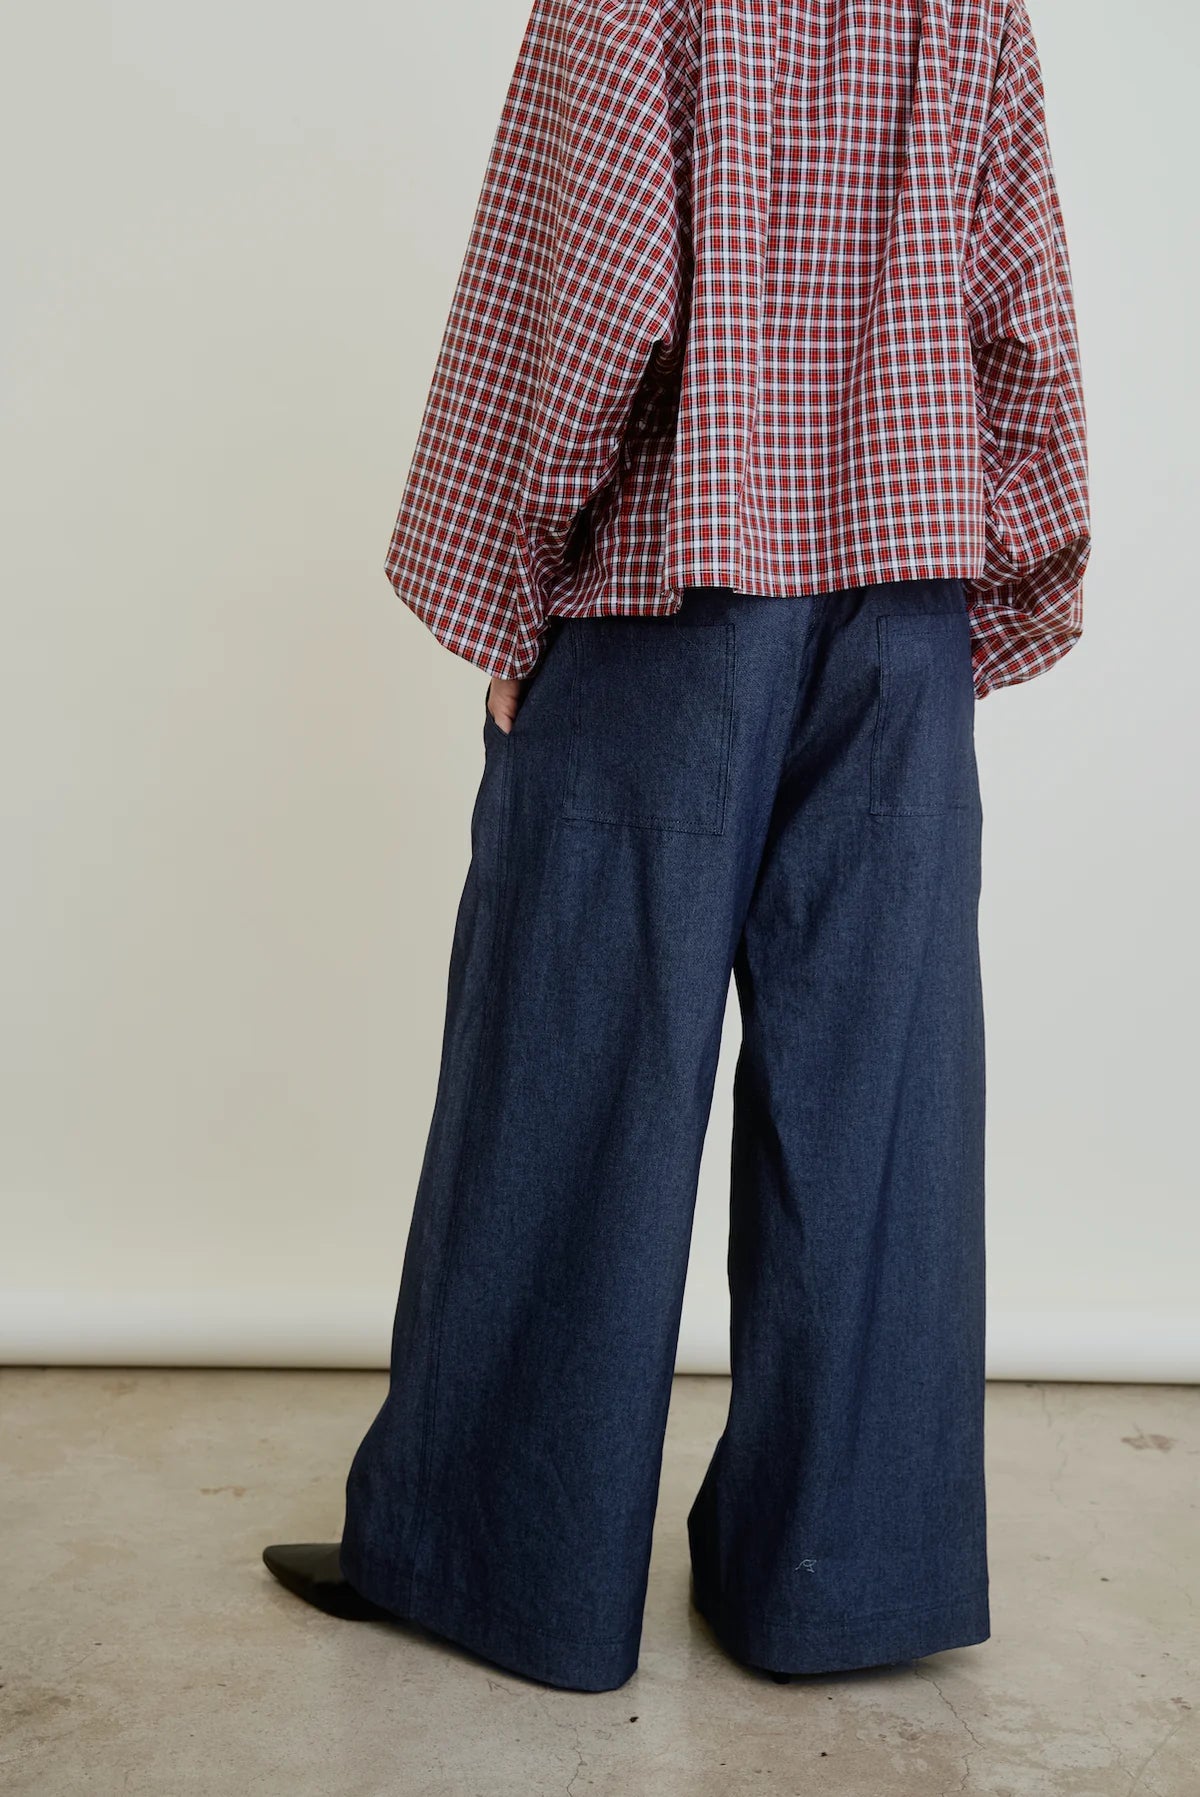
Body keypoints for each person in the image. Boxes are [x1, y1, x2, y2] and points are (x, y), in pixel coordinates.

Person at [263, 0, 1090, 1692]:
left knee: (574, 1058)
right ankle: (845, 1580)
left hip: (676, 586)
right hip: (904, 612)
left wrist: (508, 587)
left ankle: (503, 1561)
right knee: (880, 1096)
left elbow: (591, 303)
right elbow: (1023, 315)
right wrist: (985, 573)